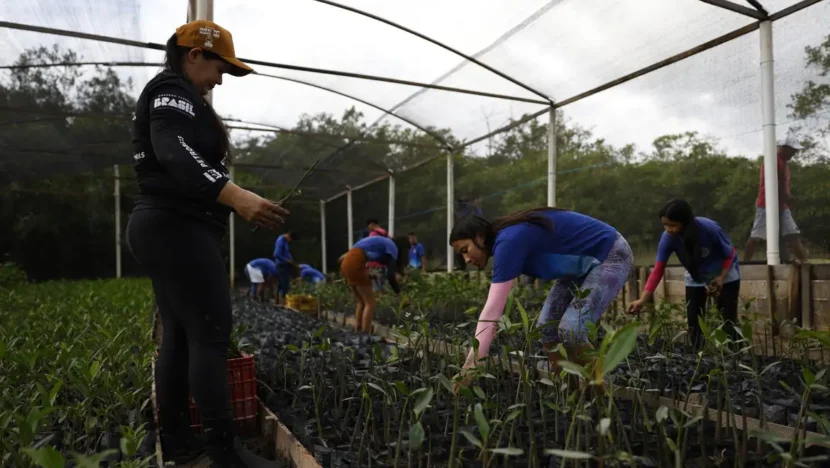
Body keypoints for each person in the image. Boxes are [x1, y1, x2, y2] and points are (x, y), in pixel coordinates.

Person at [126, 20, 285, 467]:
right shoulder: (171, 90)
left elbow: (181, 154)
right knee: (210, 337)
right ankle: (224, 453)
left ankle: (179, 444)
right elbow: (173, 149)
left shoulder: (178, 95)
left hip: (163, 229)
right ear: (194, 54)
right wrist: (237, 197)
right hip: (175, 229)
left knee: (179, 336)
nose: (220, 80)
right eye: (219, 67)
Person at [449, 207, 633, 387]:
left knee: (572, 329)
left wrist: (471, 365)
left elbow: (492, 311)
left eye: (465, 249)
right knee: (546, 328)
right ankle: (571, 395)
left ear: (480, 237)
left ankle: (601, 400)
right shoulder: (506, 240)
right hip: (579, 269)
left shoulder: (508, 242)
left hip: (610, 253)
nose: (466, 259)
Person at [628, 200, 740, 349]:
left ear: (686, 222)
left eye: (673, 225)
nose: (668, 229)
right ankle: (700, 357)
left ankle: (734, 356)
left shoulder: (708, 228)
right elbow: (657, 270)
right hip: (696, 275)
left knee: (727, 319)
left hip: (725, 273)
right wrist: (642, 300)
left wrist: (721, 278)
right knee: (694, 321)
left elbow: (729, 253)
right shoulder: (668, 239)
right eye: (665, 225)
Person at [743, 136, 808, 264]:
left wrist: (787, 198)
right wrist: (787, 197)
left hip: (782, 205)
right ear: (783, 148)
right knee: (756, 236)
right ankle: (745, 264)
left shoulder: (784, 163)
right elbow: (772, 184)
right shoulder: (772, 161)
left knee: (791, 233)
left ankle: (806, 264)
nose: (794, 153)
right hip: (766, 204)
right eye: (792, 150)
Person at [339, 235, 409, 332]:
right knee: (370, 303)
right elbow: (390, 276)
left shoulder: (382, 243)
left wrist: (370, 275)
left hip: (347, 262)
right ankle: (365, 334)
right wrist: (399, 294)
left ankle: (357, 330)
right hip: (355, 261)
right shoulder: (392, 247)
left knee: (361, 302)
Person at [454, 197, 483, 271]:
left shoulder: (477, 211)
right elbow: (459, 217)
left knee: (478, 249)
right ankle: (461, 268)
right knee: (460, 250)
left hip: (474, 234)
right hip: (464, 235)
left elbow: (479, 219)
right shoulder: (464, 211)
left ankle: (480, 266)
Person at [273, 232, 297, 306]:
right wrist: (286, 260)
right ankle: (281, 304)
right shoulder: (281, 241)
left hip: (285, 265)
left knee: (283, 284)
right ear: (288, 236)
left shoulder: (284, 241)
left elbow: (287, 252)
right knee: (283, 285)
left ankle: (279, 303)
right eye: (290, 239)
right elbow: (276, 254)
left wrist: (291, 260)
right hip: (282, 265)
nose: (290, 241)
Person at [365, 219, 389, 291]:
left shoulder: (373, 234)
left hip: (375, 265)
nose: (368, 228)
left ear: (372, 224)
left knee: (376, 289)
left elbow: (371, 248)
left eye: (369, 225)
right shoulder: (385, 233)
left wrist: (367, 261)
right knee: (384, 286)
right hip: (384, 264)